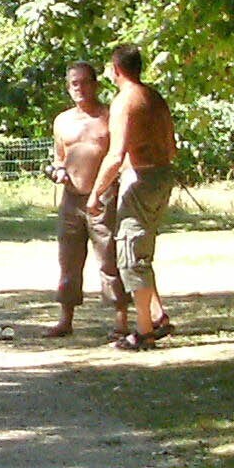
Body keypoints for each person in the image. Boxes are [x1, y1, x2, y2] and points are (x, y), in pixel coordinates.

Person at [86, 43, 180, 348]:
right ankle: (156, 316)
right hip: (163, 174)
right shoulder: (154, 97)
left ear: (116, 70)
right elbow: (171, 145)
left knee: (131, 254)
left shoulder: (125, 101)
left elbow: (115, 155)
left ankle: (143, 332)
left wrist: (95, 193)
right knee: (142, 250)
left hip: (142, 178)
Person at [48, 59, 121, 339]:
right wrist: (58, 172)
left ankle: (120, 320)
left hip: (102, 198)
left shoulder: (108, 117)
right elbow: (59, 158)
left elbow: (119, 155)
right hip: (71, 199)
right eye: (73, 83)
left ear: (95, 84)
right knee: (68, 260)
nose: (79, 88)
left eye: (83, 82)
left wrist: (106, 191)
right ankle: (65, 320)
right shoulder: (62, 121)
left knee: (109, 259)